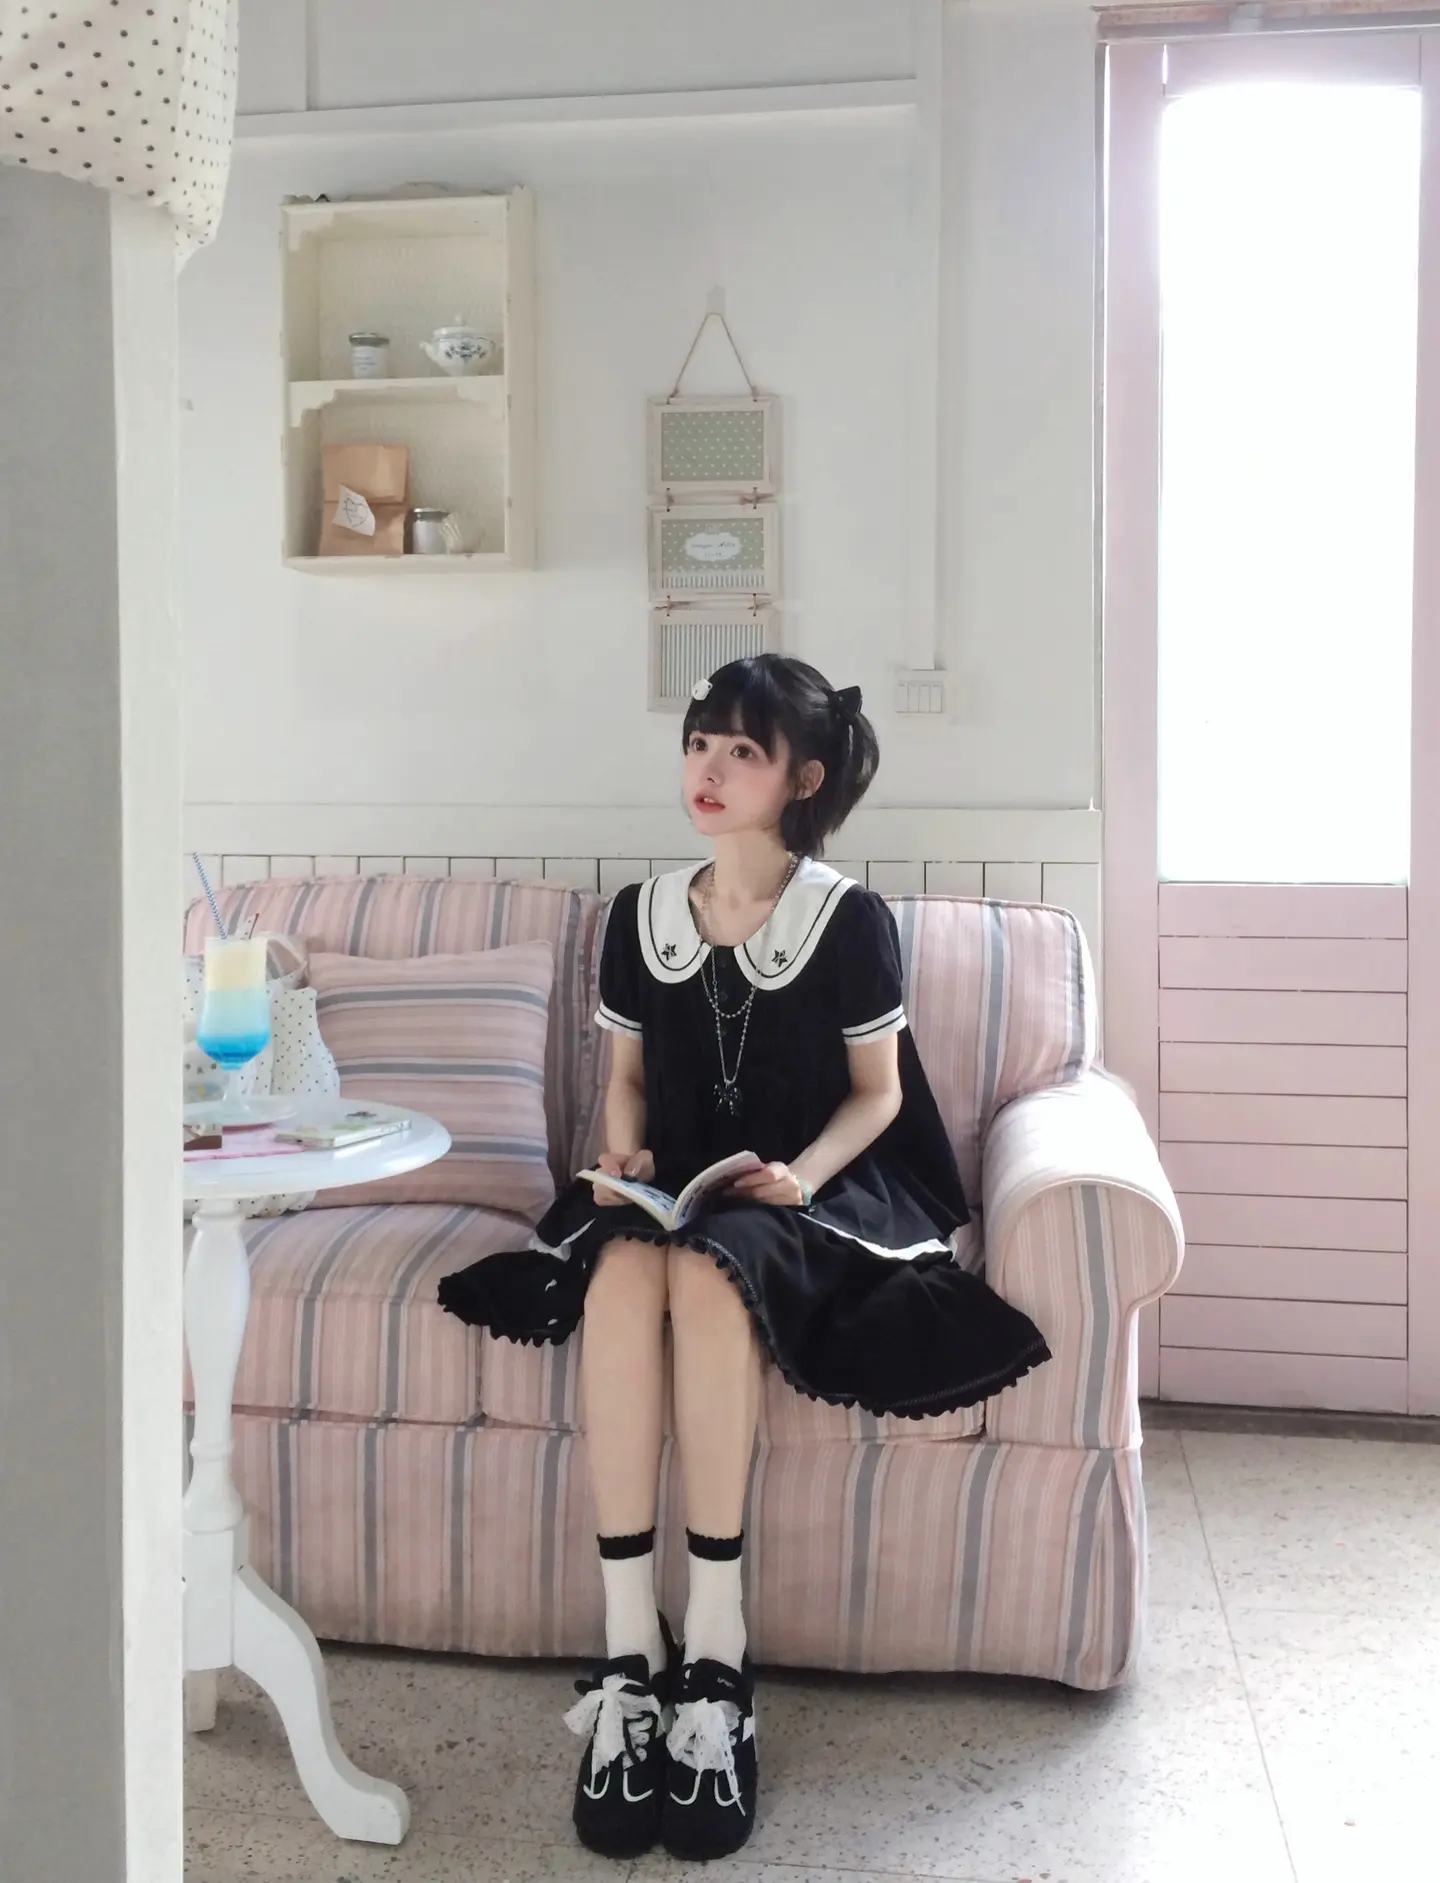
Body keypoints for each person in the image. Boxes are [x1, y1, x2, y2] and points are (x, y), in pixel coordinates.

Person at [437, 654, 1052, 1862]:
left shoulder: (847, 919)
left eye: (741, 751)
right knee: (626, 1267)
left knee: (710, 1272)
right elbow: (622, 1078)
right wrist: (622, 1153)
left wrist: (801, 1176)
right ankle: (631, 1652)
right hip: (673, 1179)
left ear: (801, 779)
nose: (707, 770)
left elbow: (878, 1094)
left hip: (805, 1187)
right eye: (698, 743)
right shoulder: (640, 915)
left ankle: (717, 1657)